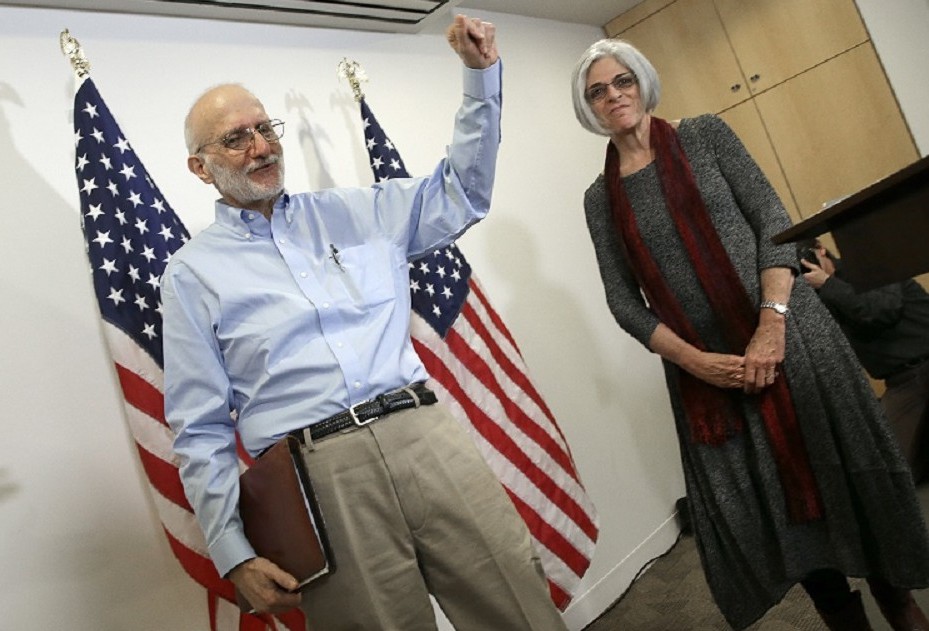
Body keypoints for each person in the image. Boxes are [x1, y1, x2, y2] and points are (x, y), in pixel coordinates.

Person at [162, 16, 568, 631]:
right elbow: (199, 428)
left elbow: (462, 194)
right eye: (235, 139)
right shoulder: (191, 276)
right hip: (320, 479)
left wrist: (480, 79)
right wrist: (232, 550)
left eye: (265, 128)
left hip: (423, 435)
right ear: (199, 168)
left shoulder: (360, 210)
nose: (261, 147)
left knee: (518, 605)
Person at [571, 38, 929, 631]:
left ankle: (899, 603)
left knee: (844, 468)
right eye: (597, 92)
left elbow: (773, 221)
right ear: (588, 109)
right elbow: (621, 300)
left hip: (794, 338)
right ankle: (844, 618)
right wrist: (698, 363)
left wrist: (770, 323)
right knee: (779, 508)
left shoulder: (706, 135)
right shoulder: (598, 199)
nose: (614, 96)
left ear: (643, 82)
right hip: (714, 381)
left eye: (623, 81)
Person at [800, 239, 929, 482]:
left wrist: (828, 284)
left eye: (809, 260)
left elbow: (881, 310)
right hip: (902, 382)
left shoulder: (869, 267)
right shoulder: (818, 296)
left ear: (821, 250)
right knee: (893, 471)